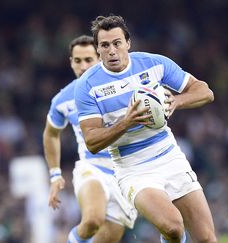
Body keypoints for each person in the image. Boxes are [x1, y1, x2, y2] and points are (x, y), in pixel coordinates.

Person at [74, 15, 217, 243]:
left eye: (117, 43)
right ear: (97, 49)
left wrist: (177, 101)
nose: (112, 50)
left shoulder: (154, 64)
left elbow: (205, 92)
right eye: (105, 45)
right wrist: (126, 122)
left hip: (170, 156)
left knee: (207, 239)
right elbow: (91, 141)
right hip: (132, 168)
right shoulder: (87, 86)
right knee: (173, 227)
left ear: (128, 43)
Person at [43, 35, 137, 243]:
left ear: (100, 58)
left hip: (126, 172)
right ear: (71, 62)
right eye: (78, 61)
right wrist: (55, 174)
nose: (83, 66)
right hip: (92, 167)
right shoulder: (62, 100)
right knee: (93, 219)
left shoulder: (122, 85)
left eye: (88, 60)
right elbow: (51, 133)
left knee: (109, 237)